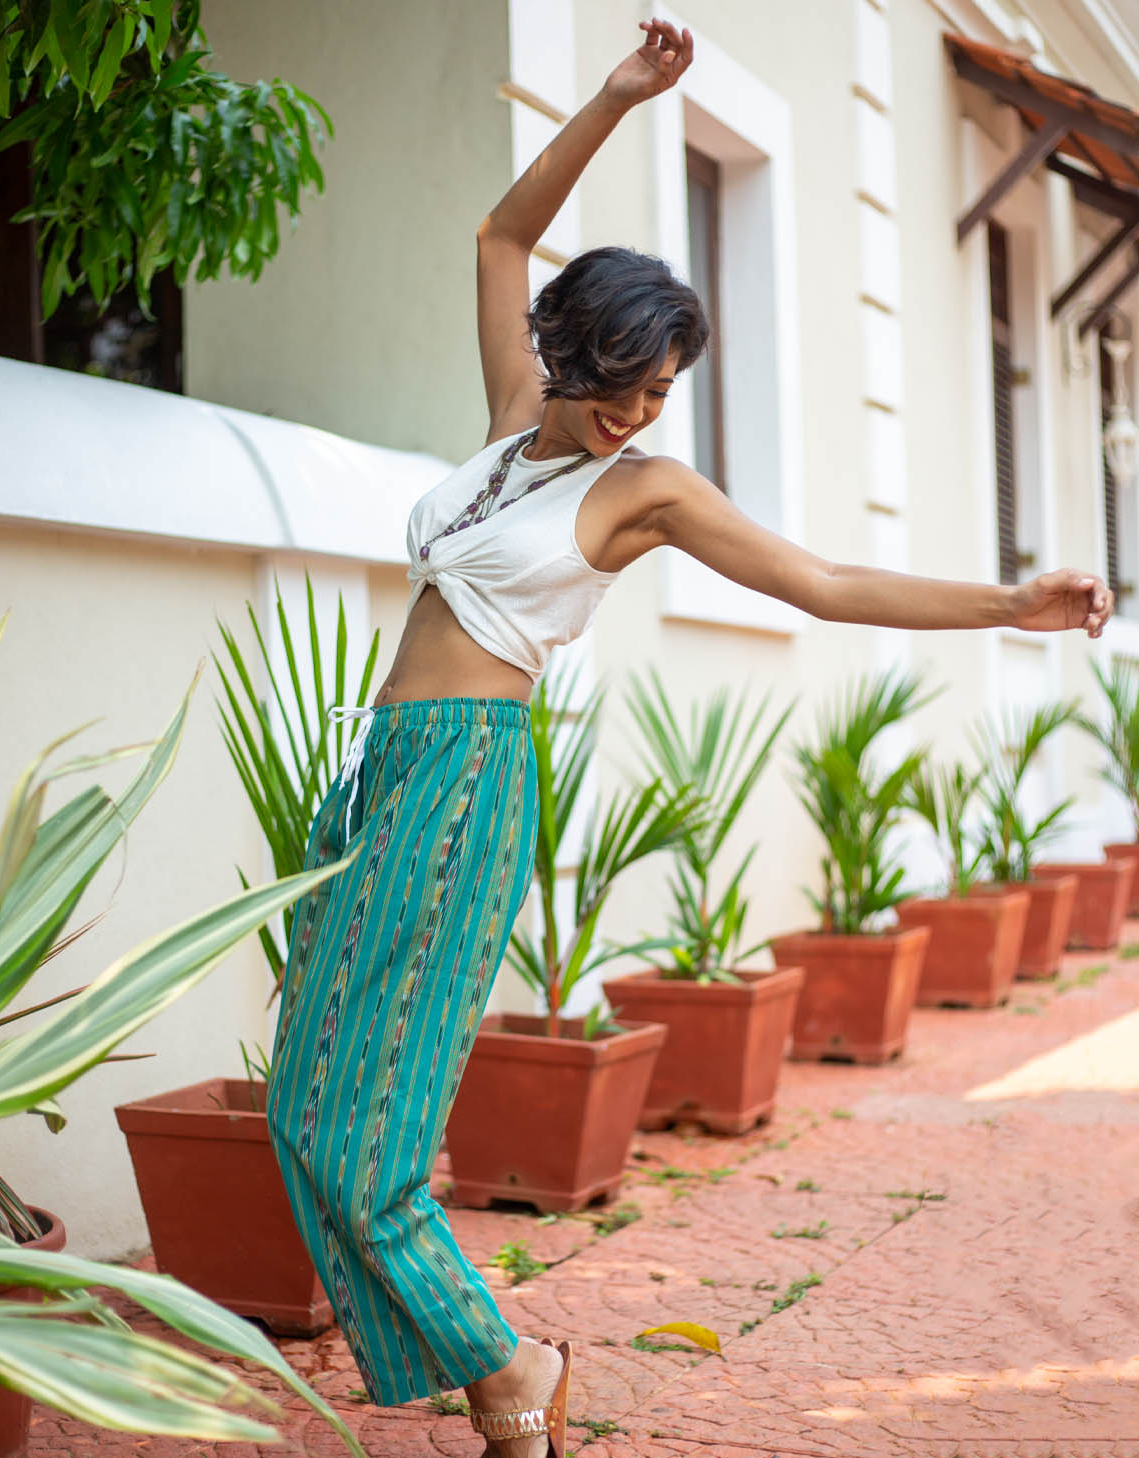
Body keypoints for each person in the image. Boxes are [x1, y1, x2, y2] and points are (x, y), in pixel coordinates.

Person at [267, 19, 1114, 1457]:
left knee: (369, 1135)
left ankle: (507, 1366)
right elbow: (496, 233)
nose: (641, 413)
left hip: (468, 780)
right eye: (623, 384)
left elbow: (825, 581)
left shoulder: (640, 487)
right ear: (567, 357)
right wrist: (613, 95)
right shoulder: (507, 434)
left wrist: (1010, 604)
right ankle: (502, 1376)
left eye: (661, 389)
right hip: (382, 774)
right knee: (300, 1102)